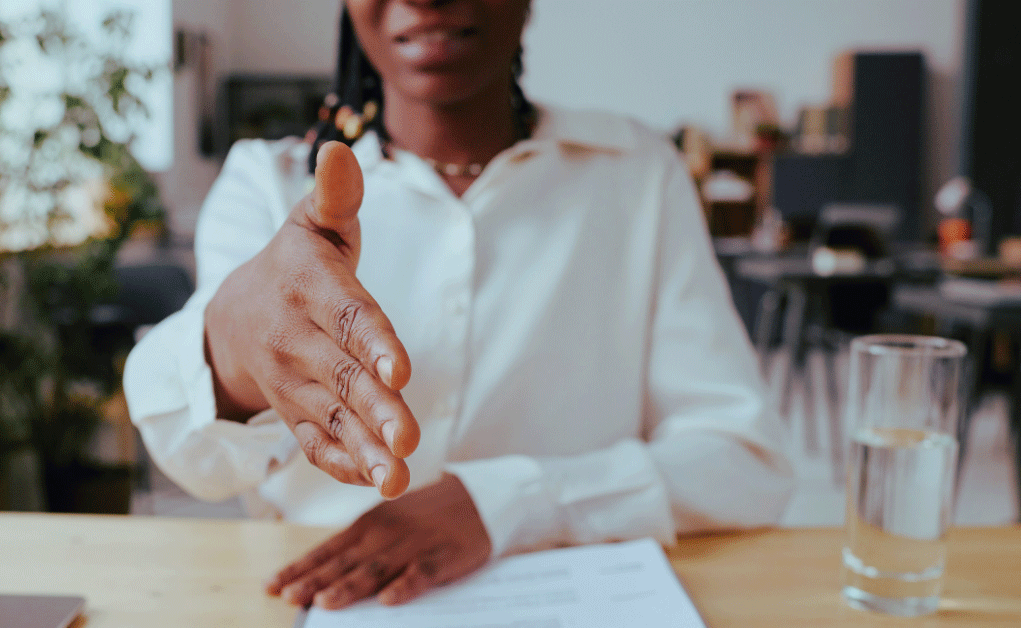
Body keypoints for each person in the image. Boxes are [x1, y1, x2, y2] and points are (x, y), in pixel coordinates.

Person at [123, 0, 793, 611]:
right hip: (326, 598)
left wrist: (506, 503)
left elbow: (745, 464)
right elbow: (191, 458)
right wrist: (236, 349)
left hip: (573, 600)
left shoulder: (637, 174)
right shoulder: (269, 184)